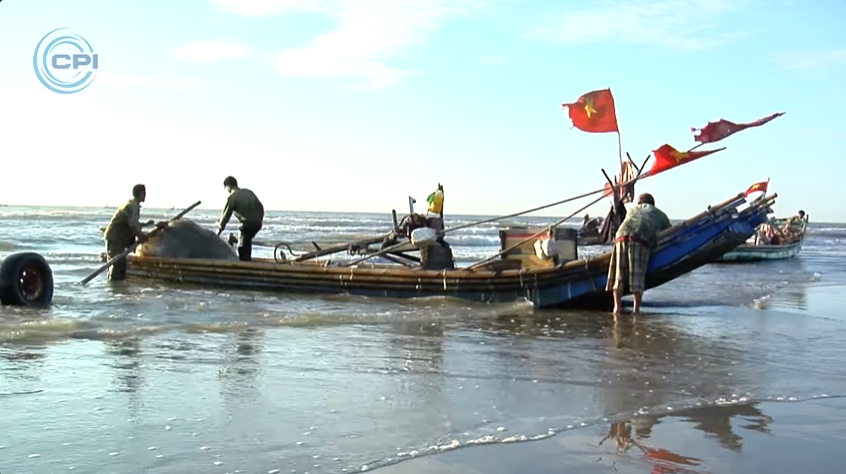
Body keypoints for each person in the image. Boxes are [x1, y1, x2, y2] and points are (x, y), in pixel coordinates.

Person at [605, 193, 672, 316]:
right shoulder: (660, 214)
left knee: (619, 275)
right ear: (653, 203)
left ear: (639, 203)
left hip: (620, 236)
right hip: (639, 238)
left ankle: (617, 308)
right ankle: (636, 310)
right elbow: (670, 232)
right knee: (637, 276)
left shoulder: (632, 209)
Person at [103, 184, 154, 281]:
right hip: (115, 238)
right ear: (141, 194)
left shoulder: (131, 204)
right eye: (144, 193)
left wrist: (146, 225)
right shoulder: (132, 206)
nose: (145, 196)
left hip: (118, 238)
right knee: (118, 264)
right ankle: (115, 290)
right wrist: (141, 236)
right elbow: (132, 225)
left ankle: (115, 289)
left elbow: (132, 222)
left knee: (118, 263)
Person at [217, 176, 265, 261]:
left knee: (242, 246)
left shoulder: (232, 197)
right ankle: (247, 259)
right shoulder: (248, 192)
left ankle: (244, 262)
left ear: (228, 187)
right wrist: (259, 219)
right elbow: (260, 207)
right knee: (247, 240)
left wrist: (219, 231)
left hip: (248, 224)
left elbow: (225, 216)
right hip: (258, 223)